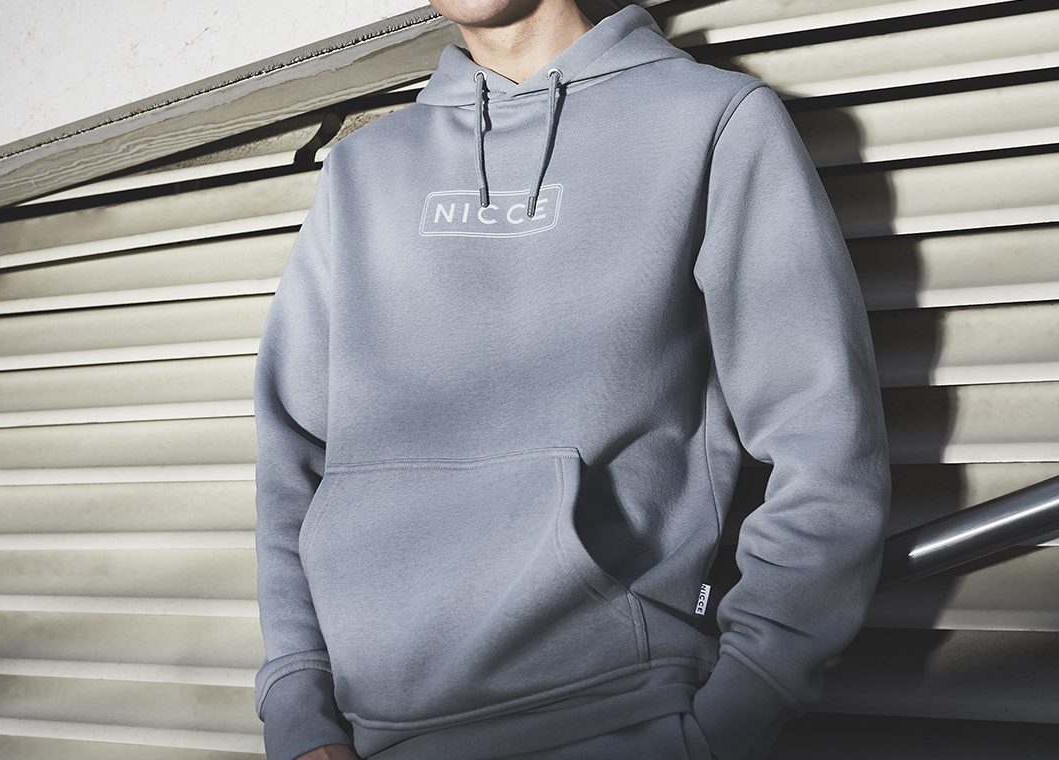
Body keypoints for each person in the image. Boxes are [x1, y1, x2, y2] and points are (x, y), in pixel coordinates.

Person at [250, 1, 892, 759]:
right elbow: (292, 456)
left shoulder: (711, 120)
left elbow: (824, 439)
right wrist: (299, 712)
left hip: (621, 718)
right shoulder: (364, 167)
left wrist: (747, 700)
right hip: (377, 735)